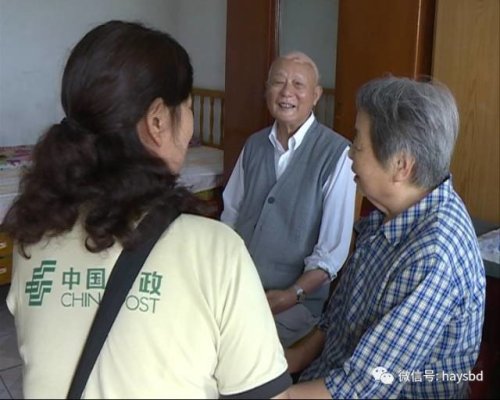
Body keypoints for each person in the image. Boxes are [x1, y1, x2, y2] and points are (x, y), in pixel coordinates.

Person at [1, 20, 292, 399]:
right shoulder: (216, 251)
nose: (190, 126)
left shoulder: (33, 240)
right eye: (188, 108)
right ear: (157, 121)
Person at [285, 76, 486, 399]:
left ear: (401, 165)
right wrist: (293, 359)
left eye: (358, 143)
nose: (349, 153)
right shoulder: (391, 210)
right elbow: (338, 320)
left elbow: (361, 387)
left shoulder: (433, 254)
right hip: (330, 377)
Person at [221, 52, 356, 348]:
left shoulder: (338, 155)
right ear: (267, 90)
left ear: (316, 95)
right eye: (278, 82)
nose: (286, 92)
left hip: (295, 303)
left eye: (298, 84)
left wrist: (291, 295)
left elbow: (331, 254)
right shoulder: (254, 145)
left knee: (238, 348)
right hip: (237, 289)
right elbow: (230, 217)